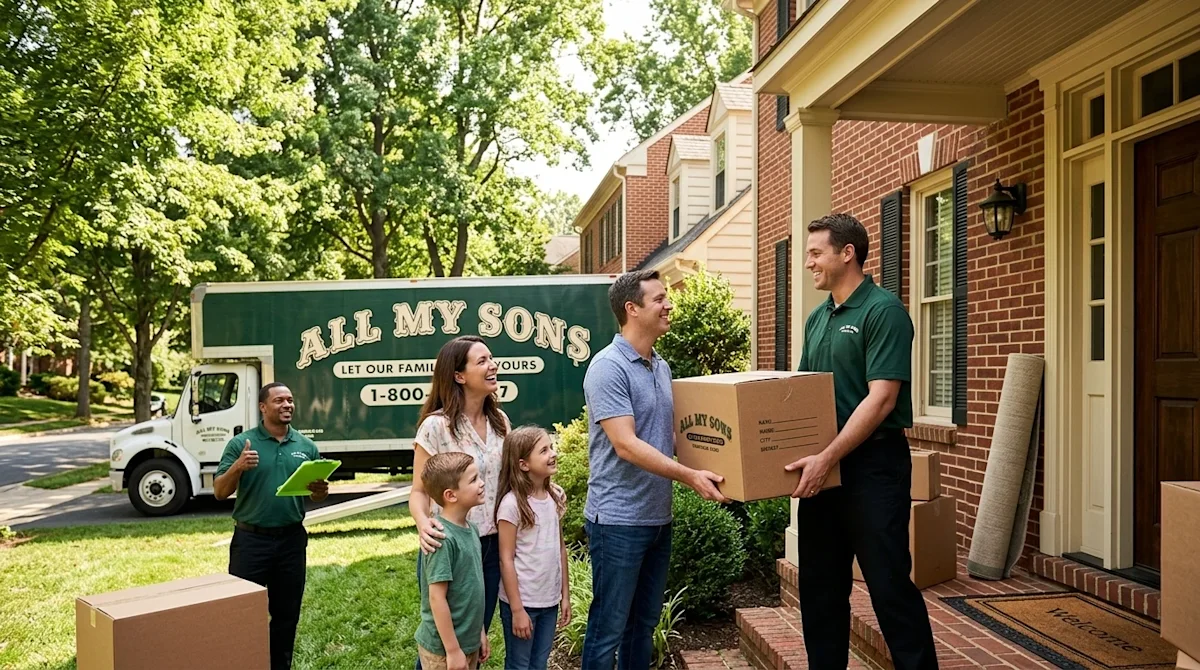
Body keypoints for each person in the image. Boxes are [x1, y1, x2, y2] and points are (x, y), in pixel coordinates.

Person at [783, 213, 939, 670]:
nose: (808, 263)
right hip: (824, 469)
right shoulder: (818, 318)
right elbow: (805, 393)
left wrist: (826, 456)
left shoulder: (883, 311)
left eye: (816, 253)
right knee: (820, 588)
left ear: (847, 253)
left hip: (873, 466)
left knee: (889, 586)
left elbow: (882, 399)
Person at [581, 269, 728, 669]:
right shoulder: (608, 367)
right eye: (659, 299)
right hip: (618, 522)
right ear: (632, 309)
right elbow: (626, 444)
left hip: (657, 518)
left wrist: (723, 465)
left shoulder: (659, 365)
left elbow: (672, 436)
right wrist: (689, 476)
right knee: (607, 629)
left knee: (642, 626)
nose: (668, 305)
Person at [214, 382, 329, 670]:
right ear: (263, 407)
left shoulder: (306, 446)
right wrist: (238, 466)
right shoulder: (241, 444)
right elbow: (219, 491)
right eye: (279, 400)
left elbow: (314, 495)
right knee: (242, 612)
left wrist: (320, 491)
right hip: (251, 542)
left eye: (290, 400)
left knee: (286, 615)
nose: (287, 405)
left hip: (291, 541)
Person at [410, 335, 510, 661]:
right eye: (482, 361)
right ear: (458, 375)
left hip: (491, 544)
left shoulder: (500, 422)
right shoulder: (435, 427)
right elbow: (418, 491)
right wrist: (424, 524)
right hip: (449, 545)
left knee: (472, 639)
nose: (493, 365)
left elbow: (512, 480)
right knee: (442, 643)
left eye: (491, 358)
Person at [495, 426, 571, 670]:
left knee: (539, 663)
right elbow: (506, 559)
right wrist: (517, 609)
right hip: (523, 602)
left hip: (549, 601)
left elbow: (560, 548)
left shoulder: (554, 497)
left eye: (552, 447)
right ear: (523, 464)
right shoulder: (511, 505)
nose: (553, 453)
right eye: (544, 450)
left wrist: (565, 595)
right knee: (519, 664)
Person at [416, 452, 491, 670]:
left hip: (468, 643)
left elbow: (472, 589)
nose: (482, 483)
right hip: (443, 651)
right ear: (451, 495)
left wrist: (479, 632)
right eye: (473, 480)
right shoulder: (442, 538)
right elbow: (437, 598)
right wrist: (453, 651)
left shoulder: (471, 529)